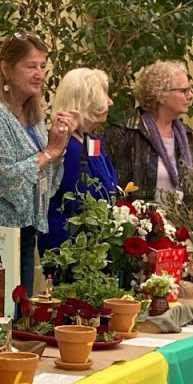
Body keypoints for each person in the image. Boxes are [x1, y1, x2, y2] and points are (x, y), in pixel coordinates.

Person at [0, 32, 67, 297]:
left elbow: (47, 178)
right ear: (6, 68)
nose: (39, 74)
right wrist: (49, 152)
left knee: (21, 317)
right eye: (31, 66)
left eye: (42, 66)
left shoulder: (33, 115)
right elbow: (6, 179)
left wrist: (59, 147)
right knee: (0, 319)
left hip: (27, 233)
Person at [38, 68, 118, 252]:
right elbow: (81, 198)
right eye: (104, 95)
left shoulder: (92, 139)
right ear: (86, 101)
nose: (110, 102)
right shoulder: (68, 146)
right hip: (69, 249)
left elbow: (109, 183)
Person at [104, 59, 193, 201]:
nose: (190, 95)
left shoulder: (186, 135)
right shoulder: (124, 134)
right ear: (161, 94)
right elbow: (109, 188)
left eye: (190, 90)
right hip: (138, 220)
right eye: (183, 91)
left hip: (180, 222)